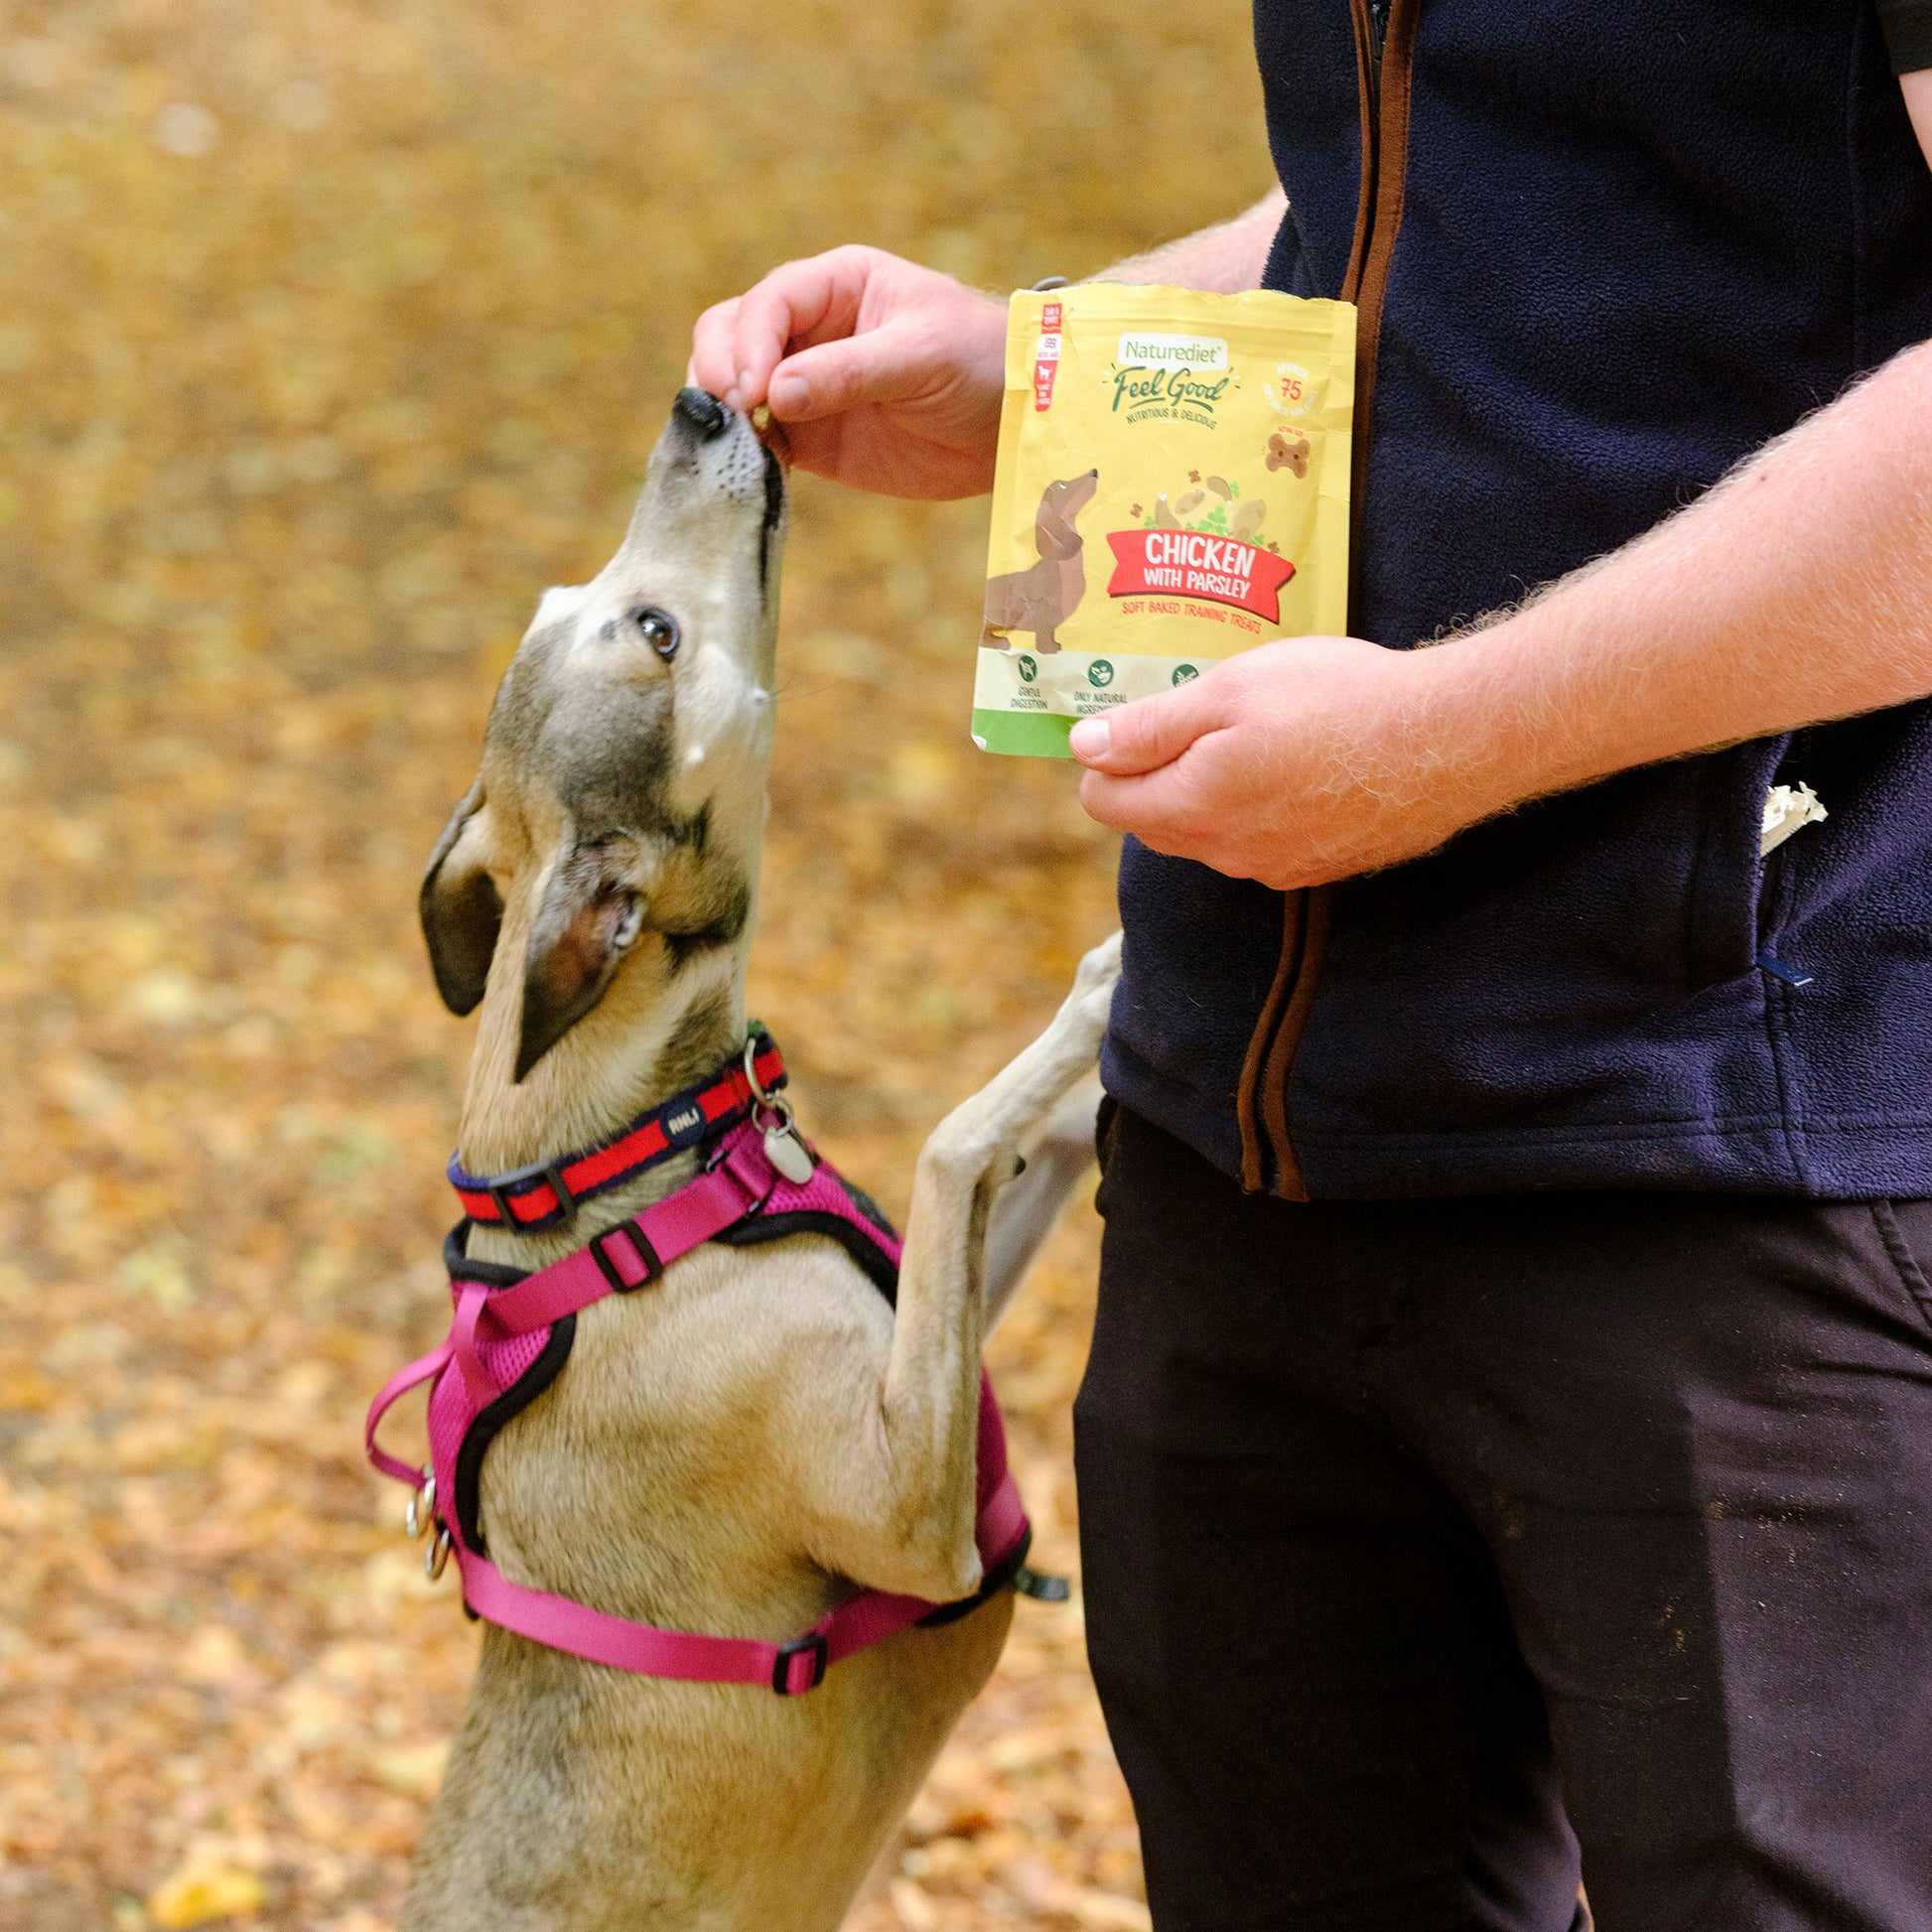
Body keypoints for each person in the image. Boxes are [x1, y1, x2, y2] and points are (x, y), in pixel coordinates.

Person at [693, 9, 1932, 1928]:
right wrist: (1050, 365)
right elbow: (1444, 179)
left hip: (1734, 1161)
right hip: (1248, 1138)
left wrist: (1444, 740)